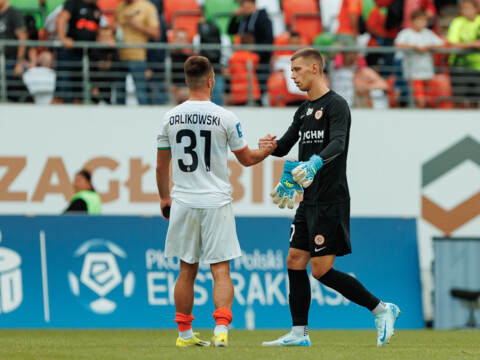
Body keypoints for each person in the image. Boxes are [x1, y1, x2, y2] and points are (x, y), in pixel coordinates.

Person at [259, 48, 400, 348]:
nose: (292, 76)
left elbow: (338, 142)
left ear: (314, 68)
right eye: (291, 70)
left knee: (321, 271)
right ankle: (299, 334)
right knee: (295, 260)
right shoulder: (303, 110)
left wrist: (313, 163)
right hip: (308, 199)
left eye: (296, 70)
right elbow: (285, 146)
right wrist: (268, 145)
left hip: (330, 199)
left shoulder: (337, 105)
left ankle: (382, 309)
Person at [156, 55, 276, 347]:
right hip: (216, 201)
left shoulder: (169, 117)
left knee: (187, 269)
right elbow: (246, 159)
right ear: (211, 81)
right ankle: (221, 329)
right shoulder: (225, 117)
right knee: (220, 269)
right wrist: (267, 150)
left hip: (183, 200)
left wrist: (163, 197)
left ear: (186, 82)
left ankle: (184, 335)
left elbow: (161, 166)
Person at [53, 0, 101, 104]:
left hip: (85, 56)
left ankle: (77, 119)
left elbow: (98, 31)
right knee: (60, 92)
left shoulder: (96, 9)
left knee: (78, 95)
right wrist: (62, 38)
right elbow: (61, 19)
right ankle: (53, 117)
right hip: (69, 54)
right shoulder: (74, 2)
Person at [394, 10, 445, 108]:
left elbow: (441, 44)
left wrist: (429, 47)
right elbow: (397, 45)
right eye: (419, 20)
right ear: (412, 21)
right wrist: (415, 47)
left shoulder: (428, 33)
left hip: (428, 73)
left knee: (430, 101)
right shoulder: (406, 33)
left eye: (424, 20)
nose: (422, 23)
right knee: (419, 100)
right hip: (413, 73)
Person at [114, 0, 160, 105]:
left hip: (138, 57)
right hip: (119, 56)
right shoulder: (119, 7)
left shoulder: (148, 7)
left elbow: (156, 34)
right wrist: (114, 28)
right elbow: (115, 29)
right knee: (119, 96)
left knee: (141, 94)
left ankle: (145, 119)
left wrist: (139, 26)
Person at [228, 0, 273, 99]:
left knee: (258, 94)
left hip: (259, 64)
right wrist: (234, 17)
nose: (240, 7)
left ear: (250, 2)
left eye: (242, 4)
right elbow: (231, 30)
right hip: (246, 62)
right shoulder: (244, 19)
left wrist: (257, 55)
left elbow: (268, 39)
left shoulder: (262, 18)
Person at [446, 0, 480, 107]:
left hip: (478, 67)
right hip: (459, 66)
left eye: (469, 8)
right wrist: (473, 44)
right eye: (464, 8)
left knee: (476, 99)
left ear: (476, 9)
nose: (466, 11)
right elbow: (452, 43)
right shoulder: (457, 22)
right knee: (459, 98)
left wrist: (464, 44)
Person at [0, 0, 27, 102]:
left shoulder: (14, 14)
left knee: (10, 94)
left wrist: (19, 63)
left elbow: (23, 39)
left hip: (10, 60)